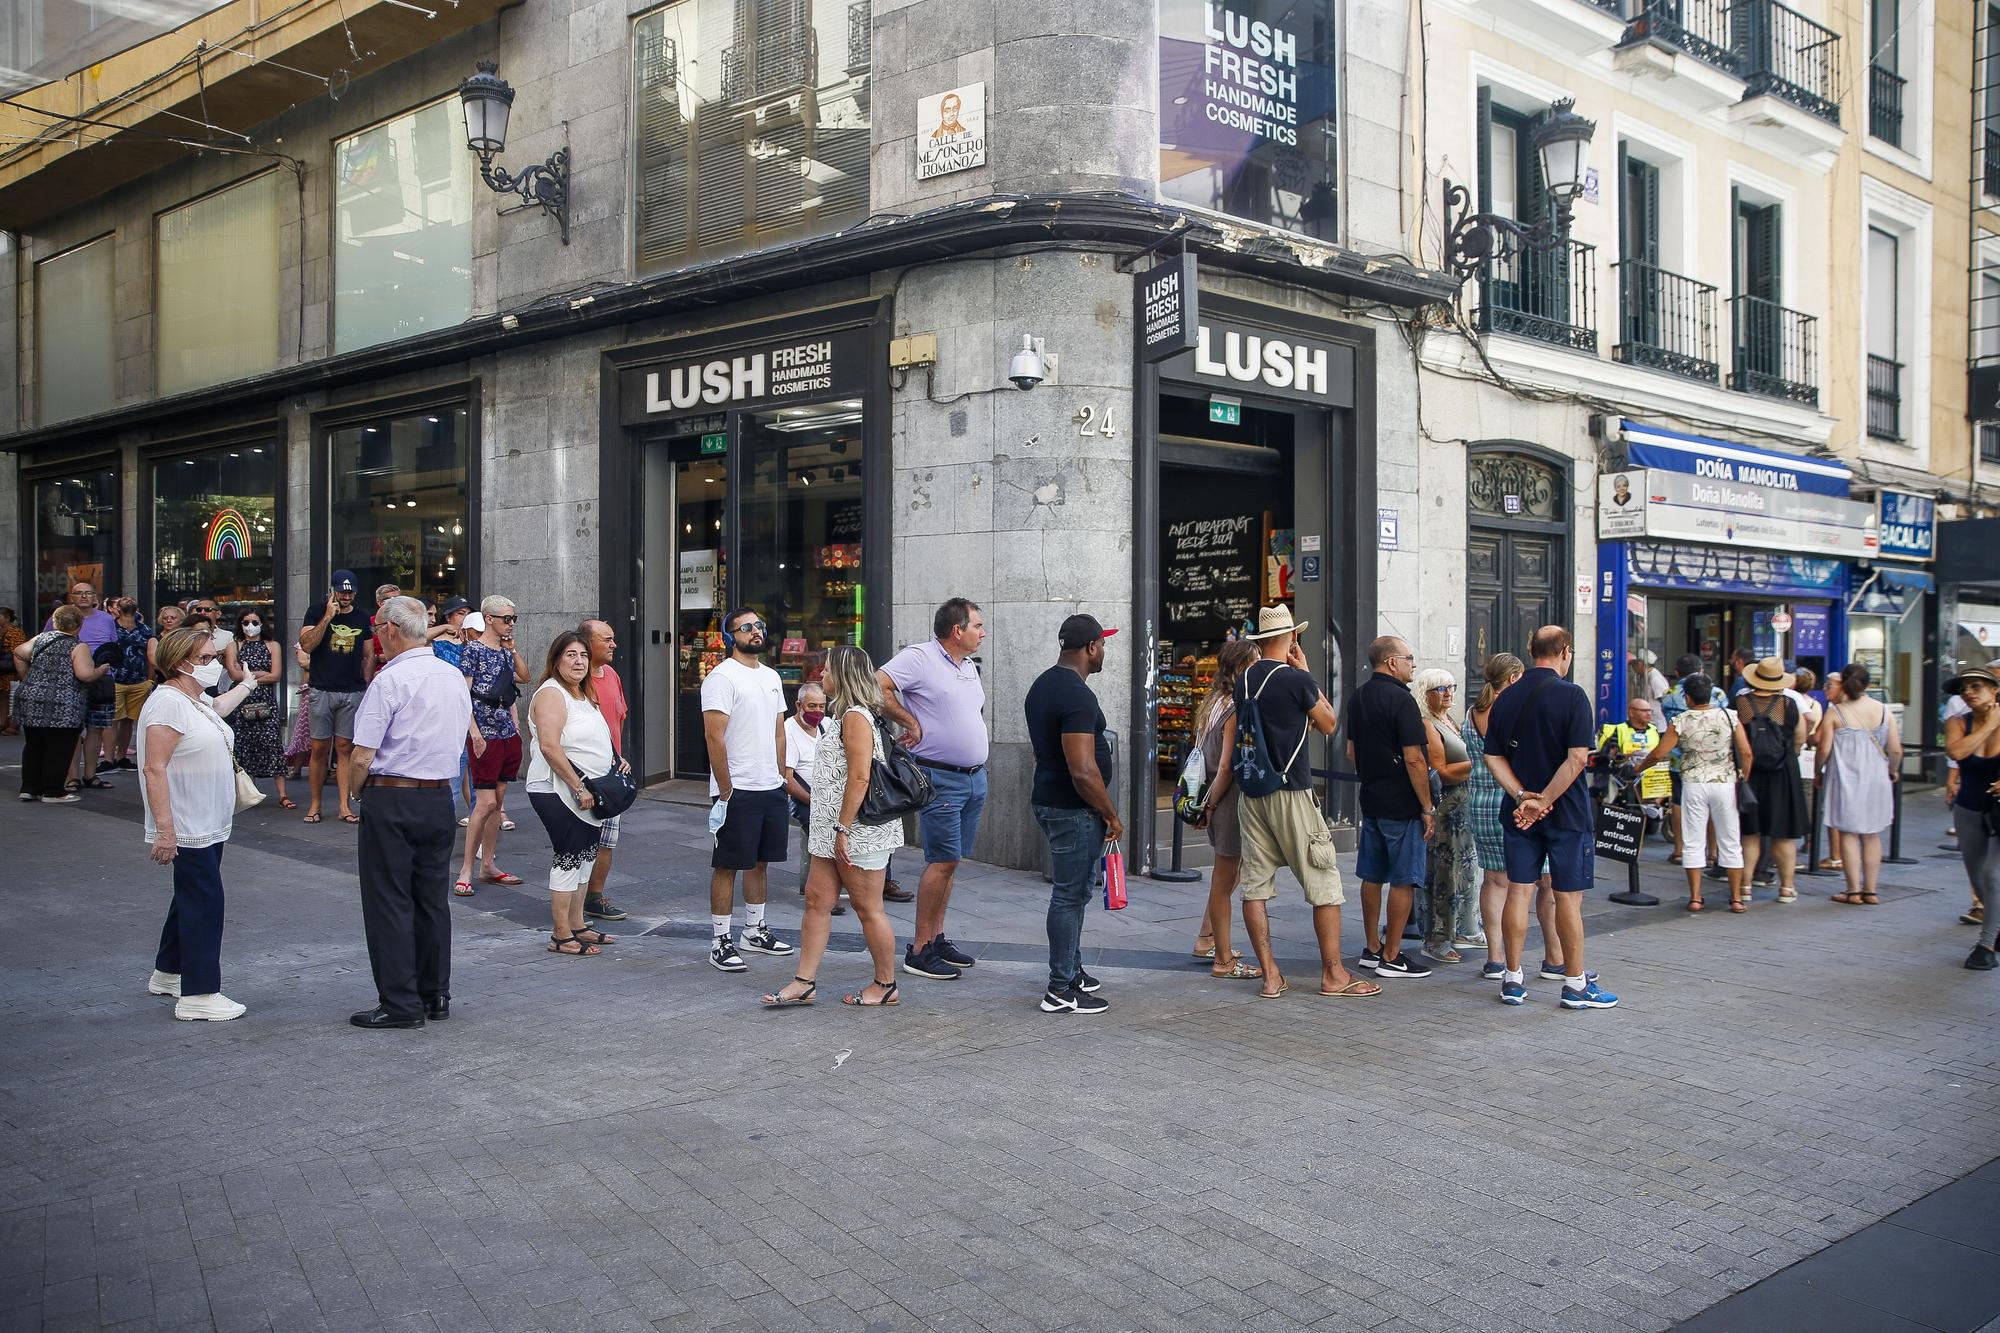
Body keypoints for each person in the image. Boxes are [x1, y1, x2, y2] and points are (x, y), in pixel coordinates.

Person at [1230, 605, 1379, 1001]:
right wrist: (1308, 673)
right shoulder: (1296, 680)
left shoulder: (1244, 679)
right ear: (1292, 638)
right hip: (1291, 791)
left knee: (1255, 887)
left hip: (1253, 792)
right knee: (1324, 882)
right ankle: (1334, 975)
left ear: (1261, 641)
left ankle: (1271, 975)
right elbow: (1328, 723)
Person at [344, 596, 474, 1029]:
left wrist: (358, 795)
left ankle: (400, 1002)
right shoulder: (452, 675)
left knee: (390, 898)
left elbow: (362, 755)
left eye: (379, 629)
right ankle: (435, 994)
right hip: (439, 795)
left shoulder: (389, 680)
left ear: (391, 630)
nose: (377, 637)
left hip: (394, 794)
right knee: (431, 898)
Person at [1482, 626, 1618, 1010]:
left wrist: (1522, 796)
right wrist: (1544, 800)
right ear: (1566, 651)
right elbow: (1577, 758)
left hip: (1518, 812)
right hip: (1567, 812)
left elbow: (1493, 755)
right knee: (1567, 897)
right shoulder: (1572, 695)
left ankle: (1512, 978)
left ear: (1530, 650)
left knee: (1518, 890)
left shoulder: (1506, 697)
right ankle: (1574, 984)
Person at [762, 647, 905, 1009]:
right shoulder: (841, 716)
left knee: (867, 906)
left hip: (855, 829)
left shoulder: (856, 717)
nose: (820, 675)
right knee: (816, 901)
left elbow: (860, 778)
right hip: (830, 828)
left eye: (826, 670)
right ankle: (803, 982)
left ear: (841, 675)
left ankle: (885, 984)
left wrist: (842, 829)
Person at [138, 626, 257, 1020]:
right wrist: (165, 830)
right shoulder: (167, 703)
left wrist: (248, 684)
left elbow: (219, 709)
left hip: (206, 819)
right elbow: (154, 768)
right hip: (188, 823)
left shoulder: (195, 698)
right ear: (178, 661)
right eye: (205, 659)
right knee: (205, 900)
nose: (212, 666)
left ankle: (169, 972)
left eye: (213, 658)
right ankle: (199, 994)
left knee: (190, 895)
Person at [877, 598, 989, 980]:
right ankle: (920, 948)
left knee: (952, 861)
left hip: (974, 777)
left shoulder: (968, 666)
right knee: (940, 861)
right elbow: (877, 686)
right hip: (940, 777)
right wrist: (911, 721)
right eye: (978, 626)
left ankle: (937, 937)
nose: (983, 632)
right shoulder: (920, 657)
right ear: (957, 630)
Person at [1024, 615, 1125, 1013]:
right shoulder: (1077, 695)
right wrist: (1111, 814)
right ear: (1092, 648)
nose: (1105, 652)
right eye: (1103, 644)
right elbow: (1082, 769)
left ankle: (1073, 968)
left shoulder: (1044, 685)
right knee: (1070, 895)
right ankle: (1060, 988)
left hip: (1052, 800)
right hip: (1074, 809)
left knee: (1077, 892)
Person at [701, 606, 796, 971]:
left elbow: (778, 731)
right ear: (730, 637)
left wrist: (782, 779)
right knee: (727, 864)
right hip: (736, 789)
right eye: (745, 628)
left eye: (758, 625)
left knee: (760, 863)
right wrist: (725, 790)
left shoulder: (771, 676)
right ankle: (719, 941)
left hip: (770, 786)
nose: (755, 631)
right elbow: (714, 736)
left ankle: (754, 931)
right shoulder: (722, 678)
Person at [526, 632, 626, 957]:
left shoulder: (582, 693)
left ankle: (578, 924)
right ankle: (560, 934)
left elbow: (591, 739)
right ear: (556, 659)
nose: (578, 661)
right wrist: (578, 786)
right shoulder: (551, 694)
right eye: (570, 655)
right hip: (556, 789)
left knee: (585, 858)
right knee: (569, 857)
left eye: (583, 655)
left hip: (587, 793)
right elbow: (549, 746)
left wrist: (614, 759)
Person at [1346, 636, 1437, 978]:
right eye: (1409, 658)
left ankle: (1372, 948)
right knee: (1403, 879)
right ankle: (1393, 955)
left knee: (1371, 875)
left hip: (1371, 798)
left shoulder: (1359, 697)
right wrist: (1427, 806)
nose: (1413, 664)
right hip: (1402, 802)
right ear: (1391, 662)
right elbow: (1414, 758)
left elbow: (1352, 752)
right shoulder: (1402, 700)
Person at [1636, 674, 1750, 912]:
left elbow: (1659, 753)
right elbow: (1746, 752)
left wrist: (1638, 768)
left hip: (1694, 784)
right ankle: (1737, 898)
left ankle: (1696, 898)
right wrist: (1742, 775)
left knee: (1693, 841)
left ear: (1687, 697)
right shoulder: (1730, 717)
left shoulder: (1681, 720)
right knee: (1730, 840)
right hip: (1724, 784)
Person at [1189, 641, 1261, 980]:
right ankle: (1222, 957)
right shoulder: (1235, 707)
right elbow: (1227, 766)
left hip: (1216, 796)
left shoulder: (1214, 701)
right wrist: (1212, 804)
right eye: (1256, 661)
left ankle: (1208, 939)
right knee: (1224, 878)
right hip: (1227, 799)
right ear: (1243, 666)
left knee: (1227, 876)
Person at [455, 598, 531, 894]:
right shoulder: (473, 650)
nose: (511, 623)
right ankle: (467, 868)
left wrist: (513, 650)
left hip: (505, 730)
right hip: (484, 730)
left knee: (497, 802)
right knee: (485, 802)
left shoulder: (506, 651)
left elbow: (524, 678)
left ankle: (488, 864)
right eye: (506, 618)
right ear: (489, 619)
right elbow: (464, 695)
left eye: (514, 618)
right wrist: (474, 733)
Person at [1464, 653, 1527, 980]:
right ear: (1514, 678)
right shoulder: (1511, 711)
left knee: (1492, 879)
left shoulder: (1473, 712)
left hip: (1478, 801)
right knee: (1526, 882)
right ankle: (1543, 959)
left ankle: (1494, 957)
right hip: (1509, 798)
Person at [1817, 661, 1901, 907]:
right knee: (1872, 834)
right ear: (1868, 684)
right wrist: (1892, 772)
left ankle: (1853, 891)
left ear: (1843, 683)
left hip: (1845, 777)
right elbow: (1895, 750)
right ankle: (1871, 890)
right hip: (1877, 778)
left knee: (1848, 833)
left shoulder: (1835, 712)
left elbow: (1823, 748)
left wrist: (1819, 771)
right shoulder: (1884, 711)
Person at [298, 571, 376, 824]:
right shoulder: (315, 610)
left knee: (346, 748)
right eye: (341, 591)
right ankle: (315, 804)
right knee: (319, 748)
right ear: (332, 591)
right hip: (322, 689)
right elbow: (307, 645)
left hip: (351, 690)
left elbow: (367, 654)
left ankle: (344, 805)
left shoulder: (362, 616)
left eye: (349, 592)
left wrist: (365, 682)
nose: (345, 596)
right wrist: (328, 616)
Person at [13, 605, 109, 803]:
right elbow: (85, 674)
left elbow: (18, 652)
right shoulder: (78, 646)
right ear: (79, 624)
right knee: (60, 746)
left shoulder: (40, 638)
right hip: (63, 703)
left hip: (32, 697)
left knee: (34, 744)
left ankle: (29, 788)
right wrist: (101, 670)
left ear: (55, 622)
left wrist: (28, 677)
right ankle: (53, 791)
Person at [1733, 657, 1810, 903]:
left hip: (1750, 772)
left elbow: (1736, 739)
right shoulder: (1788, 703)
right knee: (1783, 834)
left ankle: (1745, 887)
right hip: (1782, 773)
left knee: (1750, 833)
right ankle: (1787, 888)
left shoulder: (1742, 702)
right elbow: (1799, 737)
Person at [1415, 668, 1478, 961]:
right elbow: (1441, 772)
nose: (1448, 692)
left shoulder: (1448, 719)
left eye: (1451, 686)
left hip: (1462, 807)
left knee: (1463, 872)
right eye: (1440, 688)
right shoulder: (1428, 723)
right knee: (1442, 873)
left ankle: (1462, 929)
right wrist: (1476, 763)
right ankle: (1436, 937)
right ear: (1426, 693)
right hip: (1446, 807)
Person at [1942, 665, 2000, 969]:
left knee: (1993, 877)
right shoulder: (1958, 722)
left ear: (1994, 690)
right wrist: (1989, 726)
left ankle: (1986, 945)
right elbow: (1959, 753)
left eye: (1977, 686)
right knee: (1979, 879)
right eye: (1964, 688)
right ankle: (1996, 922)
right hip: (1968, 808)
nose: (1969, 692)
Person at [577, 619, 630, 923]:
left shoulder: (610, 674)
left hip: (611, 772)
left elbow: (619, 718)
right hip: (583, 774)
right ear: (587, 643)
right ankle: (574, 899)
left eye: (613, 639)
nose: (613, 645)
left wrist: (618, 757)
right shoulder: (575, 679)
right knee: (581, 838)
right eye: (607, 640)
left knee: (608, 839)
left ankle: (594, 897)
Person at [781, 682, 846, 917]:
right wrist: (816, 802)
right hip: (805, 798)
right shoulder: (788, 731)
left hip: (833, 795)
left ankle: (879, 881)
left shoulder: (826, 726)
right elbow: (787, 780)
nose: (818, 710)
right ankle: (825, 892)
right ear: (798, 705)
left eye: (821, 705)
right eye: (812, 706)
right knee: (825, 832)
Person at [49, 582, 118, 779]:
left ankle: (90, 775)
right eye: (79, 593)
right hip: (70, 681)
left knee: (96, 728)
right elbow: (48, 641)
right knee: (72, 730)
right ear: (72, 597)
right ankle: (72, 778)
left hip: (102, 680)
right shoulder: (60, 617)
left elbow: (112, 645)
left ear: (95, 597)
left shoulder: (106, 619)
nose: (84, 597)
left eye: (88, 593)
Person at [227, 608, 291, 808]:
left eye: (255, 622)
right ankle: (248, 793)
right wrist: (262, 673)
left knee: (272, 744)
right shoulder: (234, 646)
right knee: (244, 745)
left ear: (262, 624)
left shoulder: (272, 645)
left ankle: (282, 794)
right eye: (246, 622)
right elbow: (234, 675)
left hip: (266, 702)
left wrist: (249, 675)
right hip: (241, 700)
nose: (250, 626)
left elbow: (276, 675)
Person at [1597, 697, 1671, 844]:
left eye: (1649, 710)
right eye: (1644, 711)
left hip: (1651, 771)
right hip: (1627, 770)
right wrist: (1625, 756)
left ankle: (1657, 804)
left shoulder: (1654, 730)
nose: (1648, 714)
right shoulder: (1620, 730)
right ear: (1632, 712)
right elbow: (1610, 752)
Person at [106, 597, 154, 770]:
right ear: (116, 608)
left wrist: (150, 680)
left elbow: (150, 655)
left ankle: (121, 757)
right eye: (123, 600)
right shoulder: (110, 627)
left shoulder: (145, 629)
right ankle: (108, 759)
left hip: (138, 681)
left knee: (128, 721)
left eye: (131, 599)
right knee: (112, 721)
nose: (127, 599)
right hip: (115, 680)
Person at [1629, 649, 1669, 727]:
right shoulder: (1644, 676)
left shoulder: (1655, 678)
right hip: (1648, 722)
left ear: (1640, 664)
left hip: (1657, 724)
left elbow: (1665, 699)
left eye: (1634, 665)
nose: (1633, 668)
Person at [0, 606, 22, 736]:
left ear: (7, 618)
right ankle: (3, 721)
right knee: (3, 697)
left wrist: (19, 670)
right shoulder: (2, 631)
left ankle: (12, 724)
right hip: (3, 670)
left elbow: (17, 651)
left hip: (10, 670)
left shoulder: (15, 632)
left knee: (11, 697)